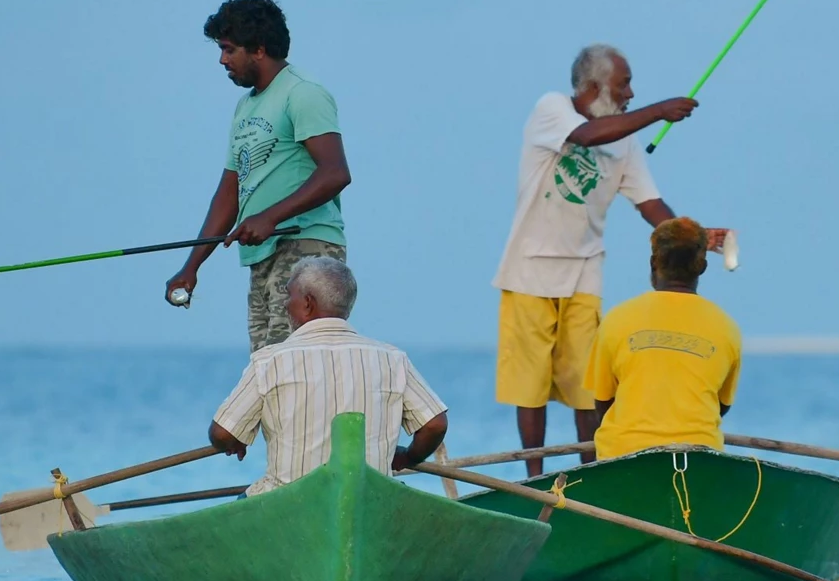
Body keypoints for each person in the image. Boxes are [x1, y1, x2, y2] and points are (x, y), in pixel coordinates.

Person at [492, 44, 716, 476]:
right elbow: (587, 136)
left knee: (585, 384)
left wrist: (696, 237)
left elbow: (650, 204)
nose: (630, 92)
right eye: (624, 84)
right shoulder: (552, 108)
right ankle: (533, 477)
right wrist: (659, 111)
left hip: (584, 271)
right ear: (594, 87)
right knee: (531, 383)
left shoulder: (626, 143)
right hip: (528, 268)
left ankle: (589, 474)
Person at [165, 0, 352, 352]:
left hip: (306, 250)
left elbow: (335, 172)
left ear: (260, 50)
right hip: (262, 257)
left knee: (294, 364)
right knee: (265, 370)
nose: (222, 60)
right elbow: (228, 193)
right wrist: (192, 267)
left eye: (229, 49)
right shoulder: (245, 106)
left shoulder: (303, 93)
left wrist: (269, 218)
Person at [208, 256, 449, 494]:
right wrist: (408, 457)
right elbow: (435, 425)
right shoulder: (392, 359)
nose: (285, 304)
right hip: (368, 499)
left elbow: (222, 433)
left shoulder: (269, 361)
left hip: (289, 501)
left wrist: (233, 441)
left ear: (307, 303)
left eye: (289, 295)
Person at [583, 217, 742, 460]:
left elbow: (603, 403)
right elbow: (720, 407)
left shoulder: (616, 320)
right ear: (702, 267)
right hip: (701, 456)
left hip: (623, 455)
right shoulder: (727, 328)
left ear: (652, 262)